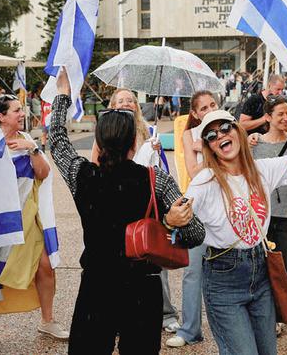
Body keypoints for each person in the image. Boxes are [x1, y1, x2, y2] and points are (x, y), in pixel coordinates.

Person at [48, 68, 204, 354]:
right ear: (135, 141)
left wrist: (62, 96)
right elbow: (196, 233)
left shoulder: (83, 176)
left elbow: (56, 141)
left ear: (100, 141)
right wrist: (169, 225)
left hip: (97, 284)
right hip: (142, 288)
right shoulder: (157, 180)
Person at [184, 83, 287, 355]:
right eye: (212, 136)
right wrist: (176, 216)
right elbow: (181, 213)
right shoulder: (206, 180)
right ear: (210, 147)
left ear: (237, 131)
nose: (220, 136)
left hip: (260, 270)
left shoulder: (262, 170)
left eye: (225, 128)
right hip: (223, 276)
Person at [0, 95, 67, 354]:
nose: (21, 114)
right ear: (1, 116)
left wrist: (32, 148)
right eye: (16, 111)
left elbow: (44, 173)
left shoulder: (27, 139)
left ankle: (47, 321)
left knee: (45, 266)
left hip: (27, 213)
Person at [89, 89, 180, 333]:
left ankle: (166, 312)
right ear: (113, 105)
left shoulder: (149, 132)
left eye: (130, 99)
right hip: (117, 200)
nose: (127, 103)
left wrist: (157, 149)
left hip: (147, 200)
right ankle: (120, 312)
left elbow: (160, 169)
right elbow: (94, 165)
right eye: (121, 100)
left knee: (154, 253)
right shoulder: (106, 132)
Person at [167, 90, 219, 349]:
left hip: (225, 209)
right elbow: (194, 171)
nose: (210, 110)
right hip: (198, 210)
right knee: (192, 271)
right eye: (204, 107)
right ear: (196, 114)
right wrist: (211, 149)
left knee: (226, 273)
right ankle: (190, 330)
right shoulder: (190, 135)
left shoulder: (228, 129)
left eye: (213, 104)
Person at [250, 95, 287, 335]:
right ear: (268, 117)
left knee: (286, 264)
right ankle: (267, 314)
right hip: (260, 214)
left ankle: (286, 313)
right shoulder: (253, 144)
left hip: (286, 213)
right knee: (261, 266)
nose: (285, 118)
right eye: (280, 114)